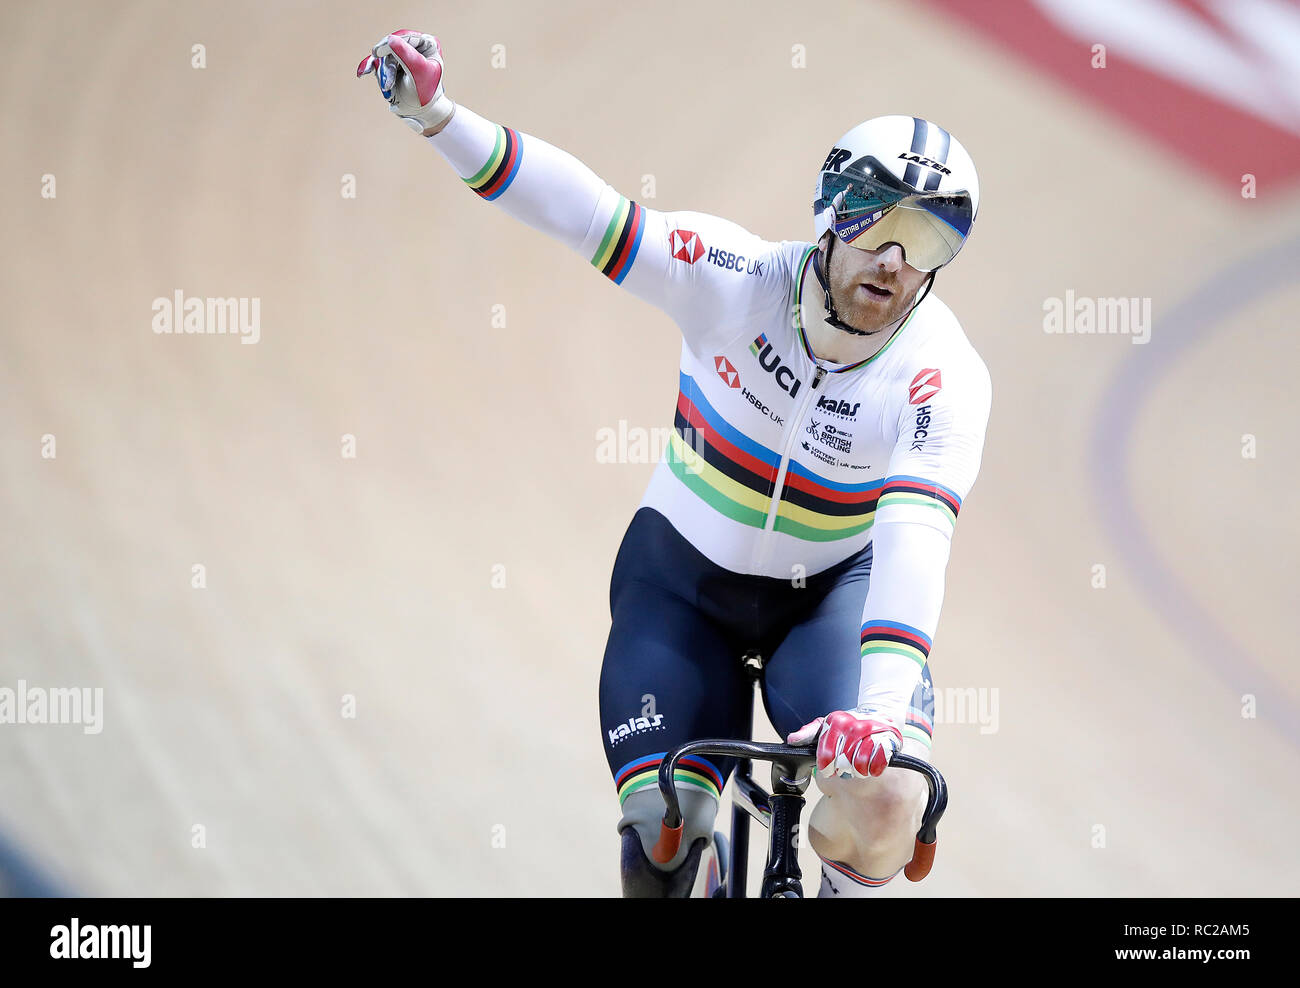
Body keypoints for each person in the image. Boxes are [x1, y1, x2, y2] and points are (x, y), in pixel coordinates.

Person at [359, 30, 992, 898]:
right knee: (664, 837)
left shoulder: (943, 378)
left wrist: (880, 718)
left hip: (832, 604)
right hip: (684, 587)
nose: (897, 259)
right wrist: (439, 117)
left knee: (884, 805)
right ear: (830, 213)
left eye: (929, 240)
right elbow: (585, 214)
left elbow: (917, 542)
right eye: (881, 222)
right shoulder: (735, 281)